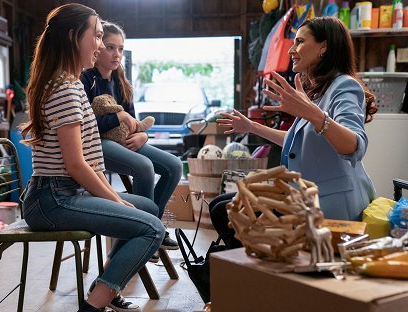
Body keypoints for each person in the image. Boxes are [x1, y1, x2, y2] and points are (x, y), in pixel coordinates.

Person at [19, 4, 164, 312]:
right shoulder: (65, 89)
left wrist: (114, 198)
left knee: (148, 208)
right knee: (152, 228)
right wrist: (114, 200)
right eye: (97, 37)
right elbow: (75, 164)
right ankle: (95, 304)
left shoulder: (72, 83)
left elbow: (90, 160)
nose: (100, 45)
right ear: (74, 37)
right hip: (52, 200)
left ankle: (106, 285)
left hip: (64, 194)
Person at [217, 16, 377, 221]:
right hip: (308, 197)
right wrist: (252, 127)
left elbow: (355, 147)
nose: (291, 50)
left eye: (300, 42)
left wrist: (312, 113)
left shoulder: (344, 86)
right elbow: (297, 141)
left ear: (324, 47)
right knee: (223, 205)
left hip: (336, 204)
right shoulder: (318, 92)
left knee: (226, 212)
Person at [80, 21, 182, 254]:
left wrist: (143, 137)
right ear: (97, 48)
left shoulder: (120, 82)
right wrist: (119, 117)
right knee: (144, 167)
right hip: (96, 143)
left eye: (120, 49)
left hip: (124, 141)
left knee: (174, 166)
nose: (116, 54)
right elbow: (85, 127)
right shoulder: (87, 79)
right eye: (110, 47)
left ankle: (153, 226)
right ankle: (145, 233)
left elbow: (134, 122)